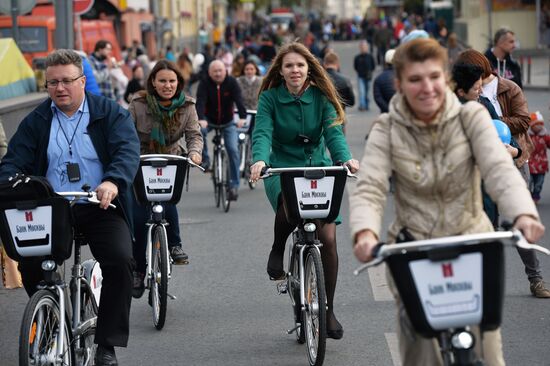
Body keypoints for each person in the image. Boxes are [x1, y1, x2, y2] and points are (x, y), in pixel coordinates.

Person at [350, 38, 544, 365]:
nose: (427, 87)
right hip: (414, 246)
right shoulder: (387, 128)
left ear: (446, 79)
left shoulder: (472, 119)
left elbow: (499, 169)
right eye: (415, 79)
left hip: (471, 238)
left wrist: (523, 213)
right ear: (399, 84)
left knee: (489, 346)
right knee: (419, 345)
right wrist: (365, 233)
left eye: (434, 77)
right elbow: (369, 186)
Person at [0, 49, 140, 365]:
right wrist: (10, 180)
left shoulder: (110, 114)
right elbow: (12, 161)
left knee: (119, 261)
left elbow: (127, 151)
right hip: (52, 208)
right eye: (52, 83)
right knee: (32, 263)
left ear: (81, 81)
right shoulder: (36, 121)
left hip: (98, 203)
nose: (59, 88)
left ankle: (107, 344)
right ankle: (52, 315)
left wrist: (113, 181)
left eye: (66, 81)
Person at [249, 42, 360, 340]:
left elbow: (334, 133)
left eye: (300, 65)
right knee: (288, 201)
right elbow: (262, 132)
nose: (295, 70)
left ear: (309, 68)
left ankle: (328, 308)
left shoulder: (322, 97)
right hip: (282, 166)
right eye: (289, 66)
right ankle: (277, 247)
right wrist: (259, 159)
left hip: (318, 167)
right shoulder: (270, 99)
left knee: (327, 238)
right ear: (281, 71)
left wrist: (344, 159)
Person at [456, 49, 550, 298]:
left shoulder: (491, 99)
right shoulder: (447, 112)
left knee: (519, 221)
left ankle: (536, 278)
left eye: (481, 83)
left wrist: (515, 152)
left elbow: (506, 131)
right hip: (470, 183)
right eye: (476, 85)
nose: (481, 89)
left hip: (500, 172)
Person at [128, 60, 203, 298]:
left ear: (179, 83)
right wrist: (126, 157)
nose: (167, 85)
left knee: (167, 201)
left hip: (171, 159)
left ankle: (175, 245)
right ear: (153, 82)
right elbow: (125, 134)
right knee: (139, 218)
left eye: (172, 81)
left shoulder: (188, 106)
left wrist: (195, 153)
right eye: (162, 81)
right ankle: (139, 271)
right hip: (141, 161)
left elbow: (194, 134)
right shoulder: (138, 104)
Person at [196, 60, 247, 201]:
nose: (218, 73)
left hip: (228, 121)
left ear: (225, 71)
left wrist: (242, 117)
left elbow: (239, 100)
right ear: (209, 72)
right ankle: (205, 159)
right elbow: (200, 102)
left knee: (233, 150)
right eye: (215, 71)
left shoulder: (231, 82)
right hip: (209, 120)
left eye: (220, 70)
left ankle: (234, 185)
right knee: (200, 131)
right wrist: (201, 118)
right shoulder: (204, 83)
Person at [528, 111, 550, 204]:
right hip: (529, 164)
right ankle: (529, 195)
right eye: (536, 124)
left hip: (541, 165)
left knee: (539, 183)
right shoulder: (528, 136)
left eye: (540, 124)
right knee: (529, 182)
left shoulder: (545, 136)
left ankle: (536, 195)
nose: (538, 126)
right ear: (531, 125)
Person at [353, 40, 375, 111]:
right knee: (362, 91)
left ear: (367, 48)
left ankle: (366, 104)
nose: (363, 48)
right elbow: (355, 66)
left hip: (368, 77)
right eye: (362, 47)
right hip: (360, 76)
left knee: (367, 92)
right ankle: (362, 105)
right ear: (360, 48)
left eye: (364, 47)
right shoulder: (357, 57)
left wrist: (370, 72)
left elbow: (373, 66)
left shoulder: (370, 56)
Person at [373, 49, 396, 113]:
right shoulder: (403, 76)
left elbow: (378, 98)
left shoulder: (379, 79)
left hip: (385, 113)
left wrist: (387, 108)